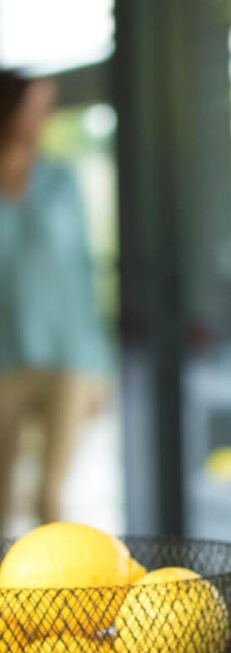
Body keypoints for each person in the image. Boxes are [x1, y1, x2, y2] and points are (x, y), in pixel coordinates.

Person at [0, 69, 109, 533]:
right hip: (5, 356)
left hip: (67, 356)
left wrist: (99, 365)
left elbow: (83, 270)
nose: (43, 117)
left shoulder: (62, 181)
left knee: (51, 496)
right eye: (36, 106)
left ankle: (53, 602)